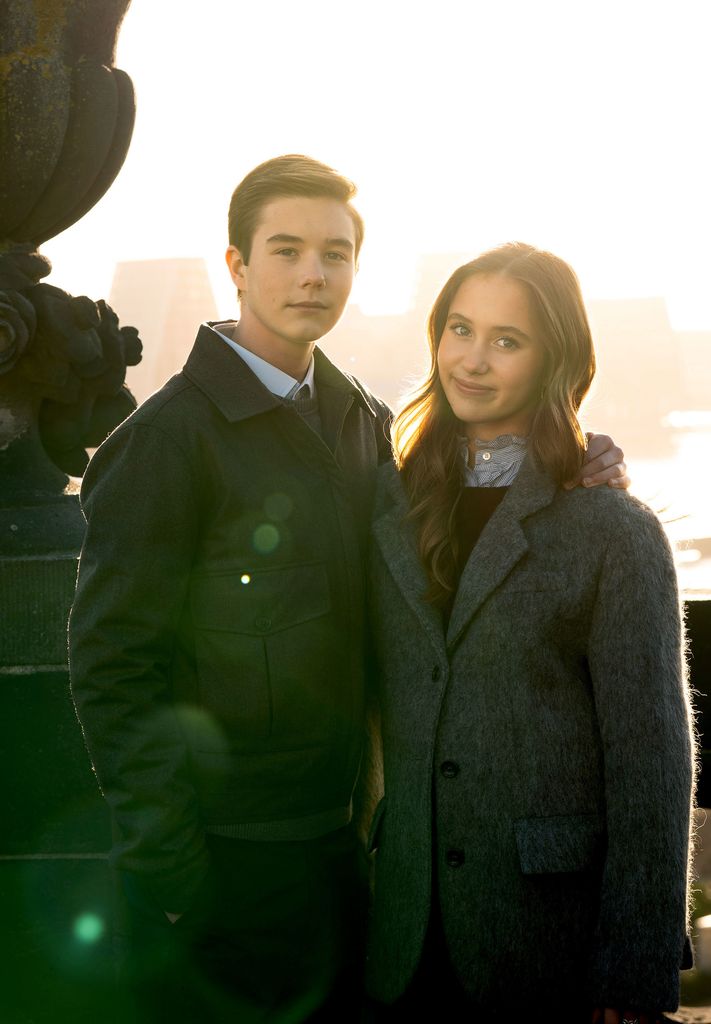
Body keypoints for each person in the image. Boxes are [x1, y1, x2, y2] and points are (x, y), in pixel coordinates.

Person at [68, 157, 628, 1023]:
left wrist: (578, 463)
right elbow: (112, 667)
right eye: (285, 249)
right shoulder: (165, 444)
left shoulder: (363, 422)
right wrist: (173, 872)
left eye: (334, 252)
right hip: (221, 871)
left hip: (351, 863)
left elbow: (463, 510)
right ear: (237, 265)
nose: (312, 274)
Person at [365, 242, 694, 1024]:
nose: (471, 360)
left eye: (506, 341)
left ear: (554, 359)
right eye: (458, 329)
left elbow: (652, 761)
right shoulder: (387, 506)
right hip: (403, 931)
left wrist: (634, 966)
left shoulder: (611, 528)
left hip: (549, 935)